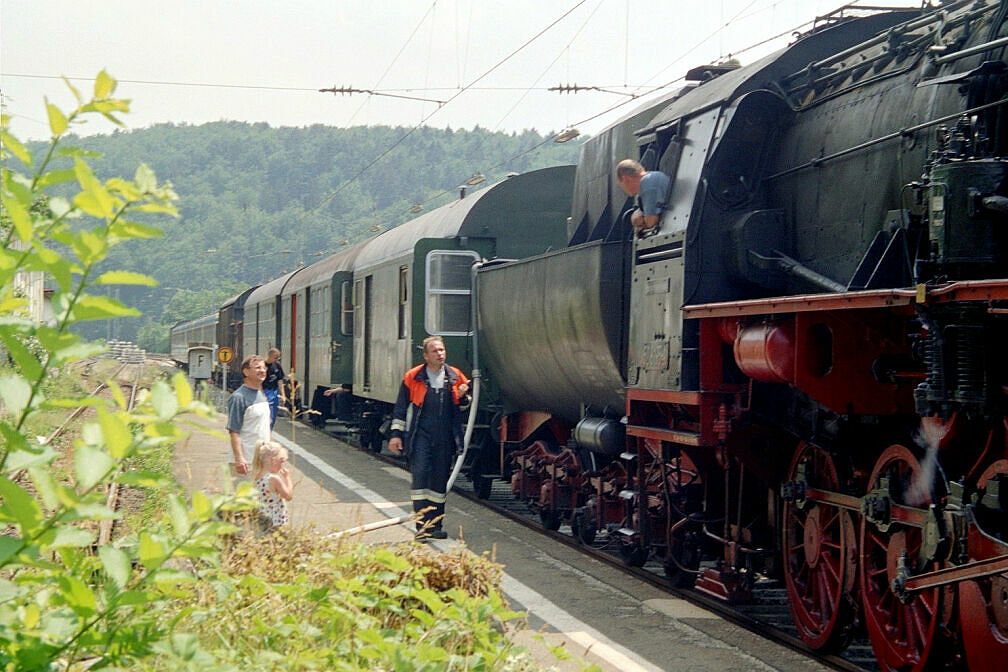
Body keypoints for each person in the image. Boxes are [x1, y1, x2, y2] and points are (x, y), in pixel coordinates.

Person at [388, 337, 470, 539]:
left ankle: (436, 525)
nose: (440, 354)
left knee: (439, 482)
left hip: (444, 437)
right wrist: (396, 435)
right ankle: (421, 527)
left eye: (442, 350)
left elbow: (464, 408)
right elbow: (400, 408)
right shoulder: (413, 376)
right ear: (425, 355)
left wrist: (463, 396)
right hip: (421, 435)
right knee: (421, 477)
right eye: (435, 351)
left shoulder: (455, 376)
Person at [226, 355, 271, 476]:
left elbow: (265, 427)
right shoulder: (238, 397)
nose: (262, 371)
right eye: (257, 367)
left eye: (264, 368)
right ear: (246, 371)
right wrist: (239, 458)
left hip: (262, 460)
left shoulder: (261, 395)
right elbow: (234, 431)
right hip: (246, 461)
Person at [615, 158, 671, 236]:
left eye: (621, 184)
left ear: (626, 179)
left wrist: (642, 223)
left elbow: (651, 222)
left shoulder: (647, 183)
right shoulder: (652, 178)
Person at [251, 439, 293, 530]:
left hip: (263, 520)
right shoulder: (274, 478)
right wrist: (287, 478)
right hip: (276, 521)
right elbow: (288, 496)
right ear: (273, 460)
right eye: (281, 462)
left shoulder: (257, 477)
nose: (282, 466)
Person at [263, 347, 287, 429]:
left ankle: (270, 431)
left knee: (273, 415)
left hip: (274, 392)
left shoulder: (277, 365)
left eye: (278, 357)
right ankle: (266, 431)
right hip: (265, 391)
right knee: (267, 414)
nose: (277, 359)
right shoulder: (263, 366)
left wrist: (283, 395)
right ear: (270, 356)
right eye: (275, 357)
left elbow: (280, 381)